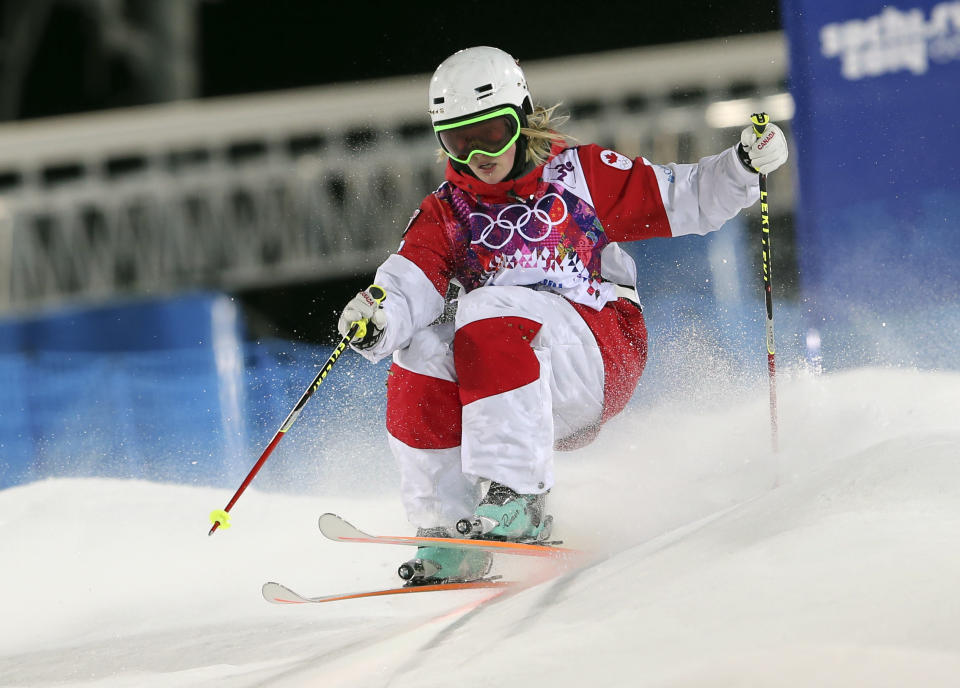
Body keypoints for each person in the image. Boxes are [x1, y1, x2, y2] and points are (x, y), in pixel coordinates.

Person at [336, 46, 788, 584]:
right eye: (459, 141)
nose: (478, 154)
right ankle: (447, 533)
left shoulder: (578, 176)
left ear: (521, 120)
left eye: (492, 134)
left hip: (599, 349)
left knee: (484, 306)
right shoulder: (446, 212)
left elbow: (684, 195)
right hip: (517, 376)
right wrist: (377, 315)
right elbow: (408, 284)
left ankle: (520, 496)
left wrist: (741, 165)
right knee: (421, 350)